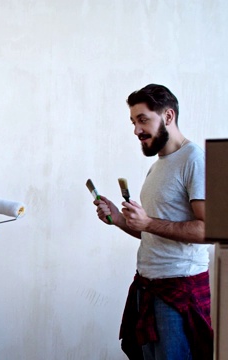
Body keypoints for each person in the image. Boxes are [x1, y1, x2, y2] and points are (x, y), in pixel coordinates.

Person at [93, 84, 213, 359]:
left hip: (178, 292)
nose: (136, 130)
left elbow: (209, 230)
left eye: (143, 119)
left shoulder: (194, 159)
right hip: (149, 289)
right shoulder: (158, 165)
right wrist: (122, 220)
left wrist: (146, 223)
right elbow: (153, 231)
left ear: (168, 117)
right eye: (134, 122)